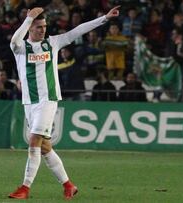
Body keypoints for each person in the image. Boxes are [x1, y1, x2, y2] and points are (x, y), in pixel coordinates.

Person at [8, 6, 120, 200]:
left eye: (44, 26)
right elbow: (14, 41)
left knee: (34, 141)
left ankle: (25, 188)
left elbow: (78, 30)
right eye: (38, 27)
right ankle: (69, 185)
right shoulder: (21, 48)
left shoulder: (52, 43)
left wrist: (104, 18)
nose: (42, 30)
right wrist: (28, 19)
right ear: (30, 29)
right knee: (45, 148)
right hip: (29, 102)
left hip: (48, 100)